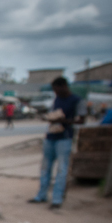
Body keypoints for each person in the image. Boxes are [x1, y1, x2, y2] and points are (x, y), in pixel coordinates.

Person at [29, 77, 86, 210]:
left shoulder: (77, 101)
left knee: (61, 169)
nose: (56, 92)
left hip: (65, 138)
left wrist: (64, 121)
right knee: (45, 167)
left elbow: (81, 121)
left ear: (64, 86)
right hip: (51, 136)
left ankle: (57, 198)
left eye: (57, 89)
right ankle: (41, 195)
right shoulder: (57, 99)